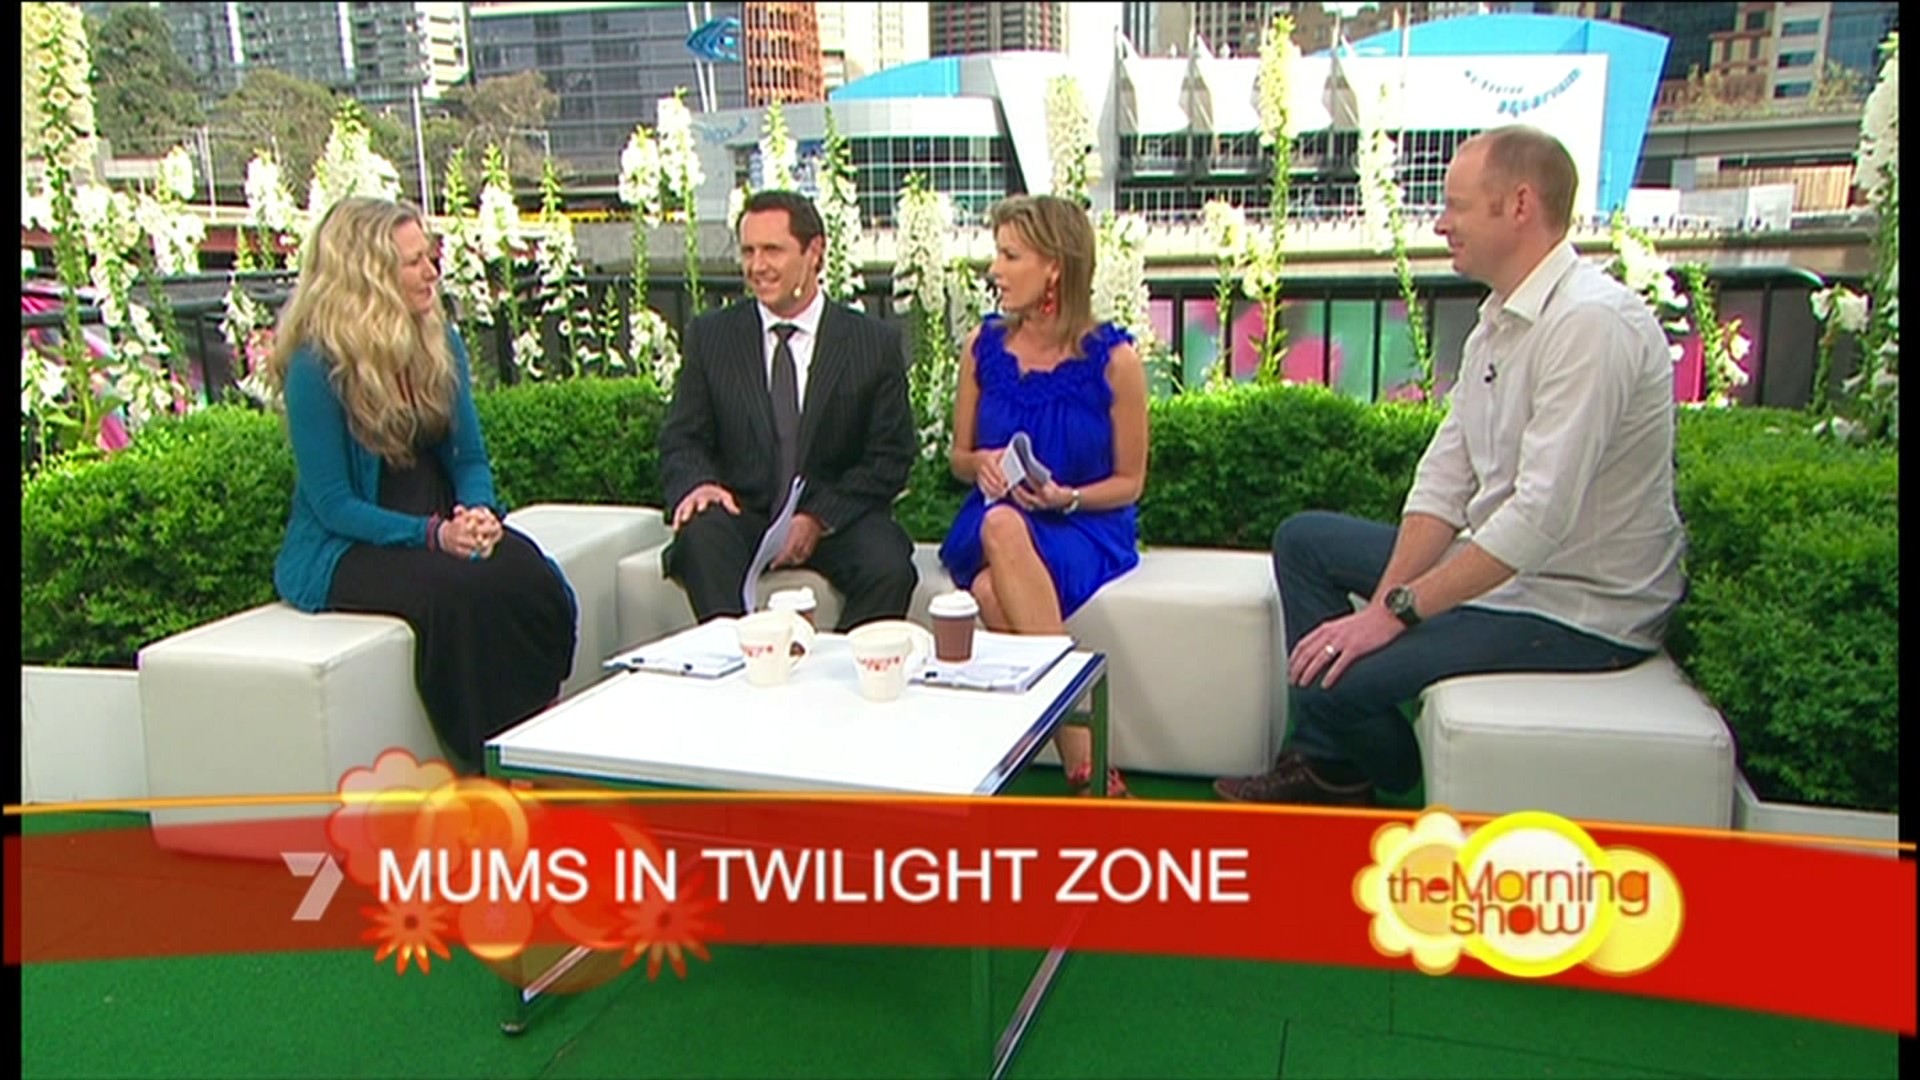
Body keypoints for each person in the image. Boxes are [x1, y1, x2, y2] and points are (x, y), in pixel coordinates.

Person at [1213, 126, 1688, 806]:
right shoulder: (1499, 320)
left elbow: (1538, 520)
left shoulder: (1592, 324)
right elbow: (1444, 482)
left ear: (1519, 205)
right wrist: (1385, 605)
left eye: (1456, 206)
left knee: (1330, 684)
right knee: (1304, 541)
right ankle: (1332, 766)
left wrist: (1396, 614)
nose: (1440, 224)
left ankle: (1356, 763)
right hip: (1504, 573)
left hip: (1577, 608)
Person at [265, 197, 577, 773]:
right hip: (354, 542)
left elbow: (469, 457)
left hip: (437, 517)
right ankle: (485, 759)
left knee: (525, 572)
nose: (432, 271)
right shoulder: (316, 365)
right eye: (413, 262)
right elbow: (334, 505)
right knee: (455, 598)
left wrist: (478, 511)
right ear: (369, 277)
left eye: (430, 256)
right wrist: (434, 536)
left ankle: (537, 731)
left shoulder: (439, 341)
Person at [940, 194, 1149, 798]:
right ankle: (1089, 767)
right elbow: (958, 457)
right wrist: (980, 463)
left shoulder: (1116, 361)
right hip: (993, 517)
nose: (995, 269)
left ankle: (1078, 767)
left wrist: (1067, 498)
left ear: (1054, 266)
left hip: (1083, 523)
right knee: (1001, 526)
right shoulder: (982, 347)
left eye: (1010, 256)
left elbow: (1130, 482)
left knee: (989, 590)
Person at [658, 189, 918, 630]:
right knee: (701, 538)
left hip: (835, 517)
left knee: (889, 566)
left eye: (772, 250)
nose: (757, 266)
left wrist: (817, 517)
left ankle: (838, 669)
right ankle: (743, 658)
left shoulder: (872, 344)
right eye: (748, 252)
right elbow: (682, 439)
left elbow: (890, 458)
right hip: (743, 514)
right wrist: (698, 484)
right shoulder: (712, 337)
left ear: (814, 252)